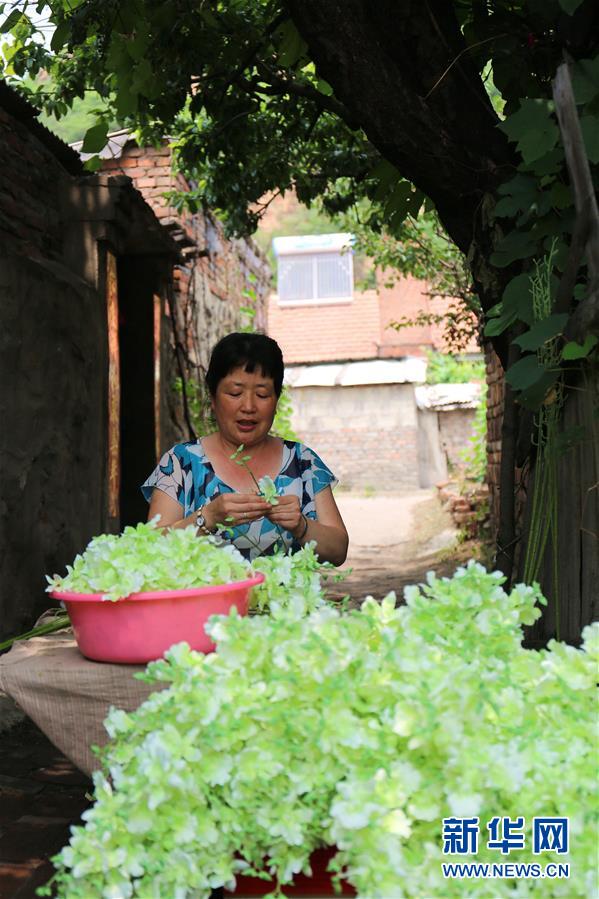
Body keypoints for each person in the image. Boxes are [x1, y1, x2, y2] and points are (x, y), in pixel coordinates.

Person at [141, 332, 349, 565]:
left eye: (262, 394)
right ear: (212, 397)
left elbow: (338, 551)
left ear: (276, 400)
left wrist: (301, 526)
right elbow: (150, 551)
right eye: (235, 393)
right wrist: (207, 517)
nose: (248, 406)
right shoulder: (180, 463)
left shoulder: (303, 462)